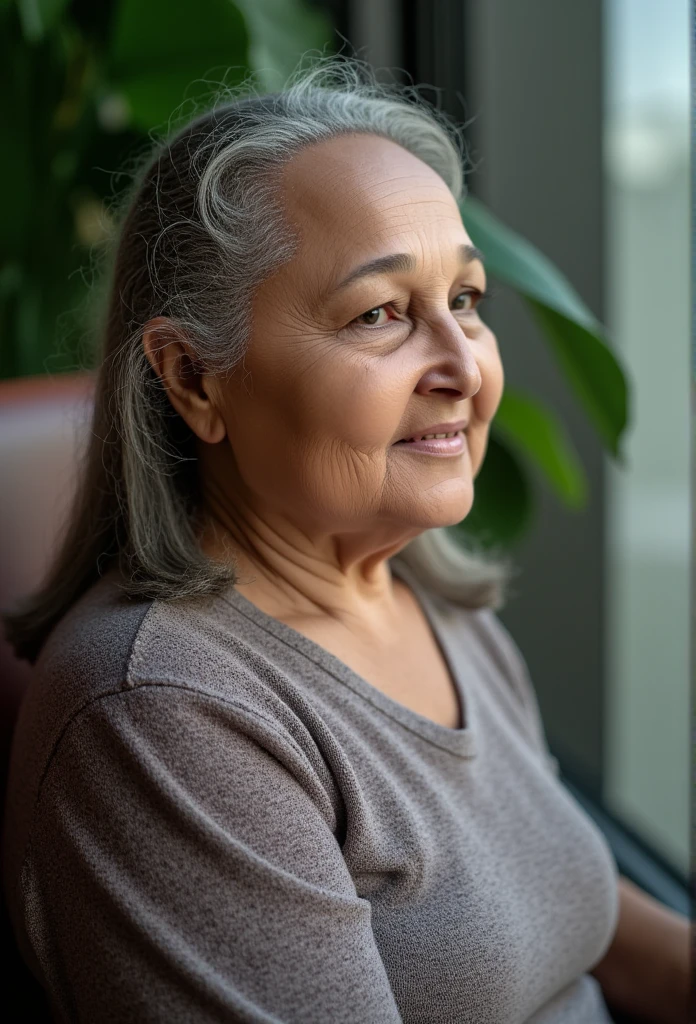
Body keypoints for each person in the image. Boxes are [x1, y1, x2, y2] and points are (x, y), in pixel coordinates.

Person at [2, 56, 689, 1024]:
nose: (463, 366)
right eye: (380, 314)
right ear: (195, 378)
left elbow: (552, 894)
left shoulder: (413, 586)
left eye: (466, 300)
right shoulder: (163, 713)